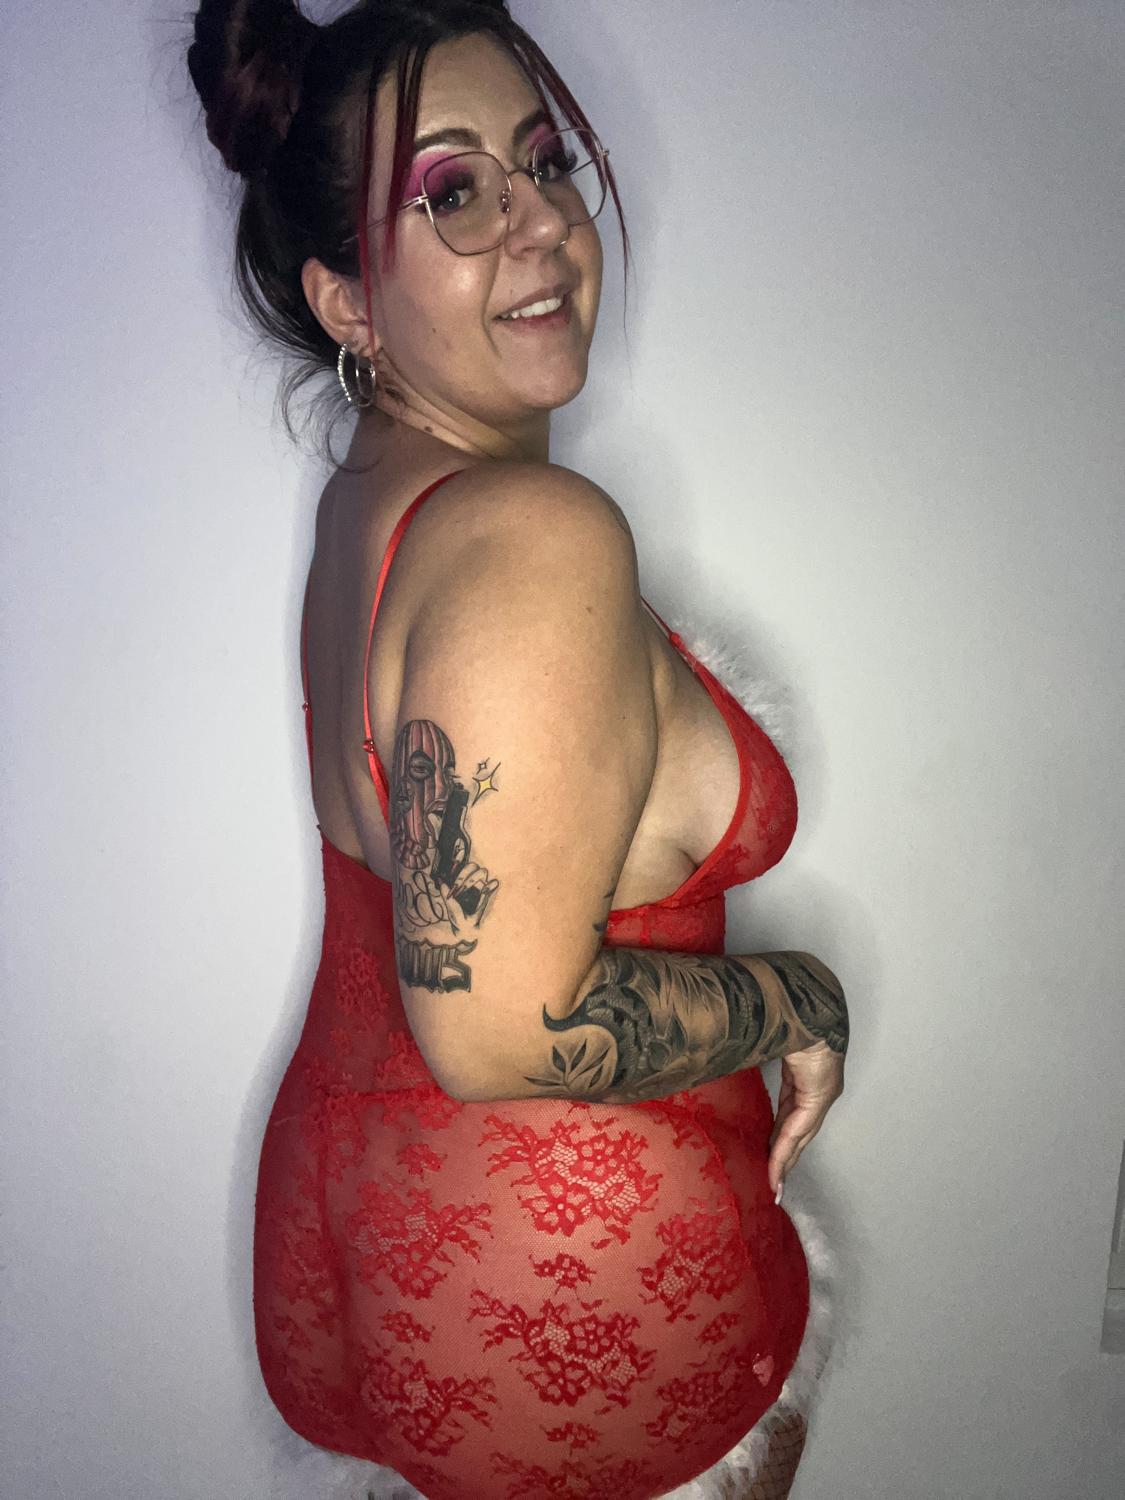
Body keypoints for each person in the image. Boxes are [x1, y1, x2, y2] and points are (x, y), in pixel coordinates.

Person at [187, 3, 849, 1496]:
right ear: (347, 301)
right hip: (567, 1302)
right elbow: (502, 1029)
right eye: (455, 192)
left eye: (542, 163)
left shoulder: (372, 503)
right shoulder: (532, 537)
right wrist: (801, 1001)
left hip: (358, 1236)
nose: (541, 221)